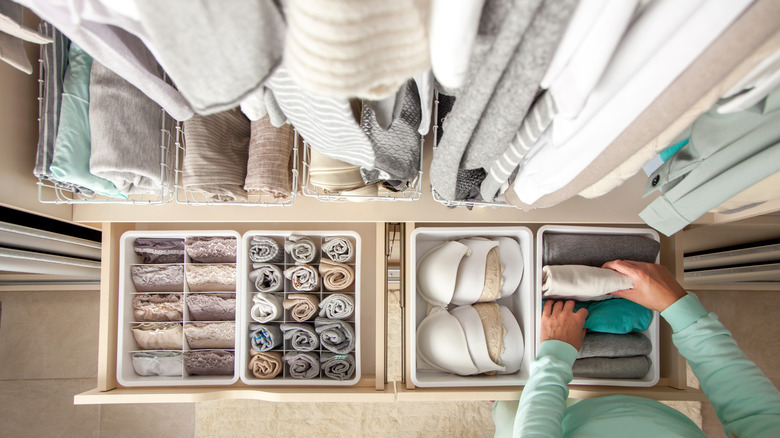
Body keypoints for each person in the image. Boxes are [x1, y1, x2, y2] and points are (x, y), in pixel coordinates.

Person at [493, 260, 780, 437]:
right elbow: (752, 410)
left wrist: (556, 357)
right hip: (646, 419)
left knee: (508, 407)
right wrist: (677, 306)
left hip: (549, 425)